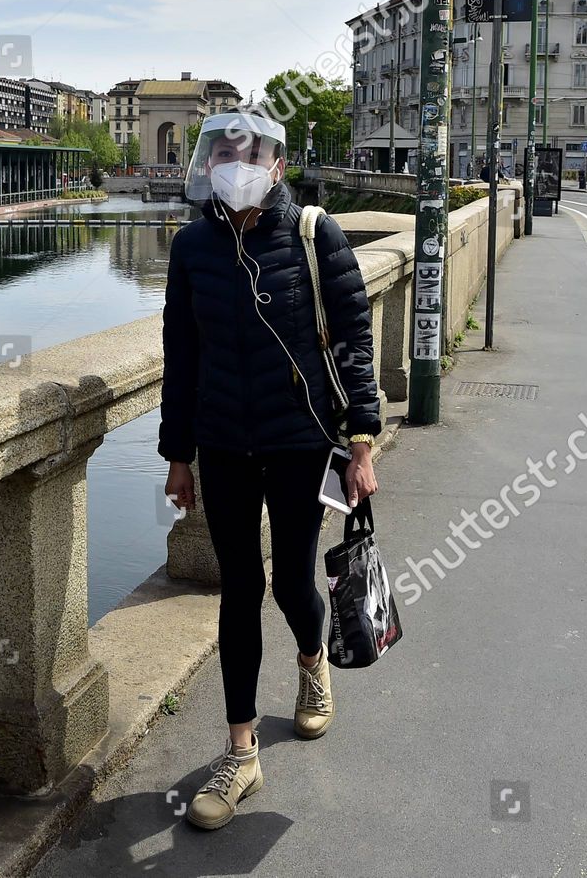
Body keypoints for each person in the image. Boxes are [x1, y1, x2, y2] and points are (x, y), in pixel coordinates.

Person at [161, 111, 381, 831]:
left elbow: (352, 341)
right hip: (222, 443)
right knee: (238, 589)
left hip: (297, 441)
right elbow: (182, 358)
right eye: (222, 153)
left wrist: (363, 443)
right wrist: (177, 456)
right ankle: (240, 751)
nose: (232, 163)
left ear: (277, 165)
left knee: (291, 580)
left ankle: (313, 663)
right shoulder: (192, 246)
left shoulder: (315, 235)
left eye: (246, 153)